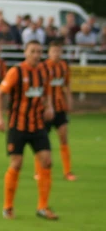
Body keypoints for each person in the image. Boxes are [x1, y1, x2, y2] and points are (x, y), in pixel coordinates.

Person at [0, 40, 58, 220]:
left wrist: (50, 106)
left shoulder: (44, 72)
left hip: (37, 126)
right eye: (33, 51)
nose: (36, 55)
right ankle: (8, 207)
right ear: (25, 52)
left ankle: (43, 207)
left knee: (47, 161)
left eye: (39, 51)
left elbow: (46, 93)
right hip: (17, 126)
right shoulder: (16, 72)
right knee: (16, 164)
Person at [43, 42, 76, 181]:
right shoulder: (43, 67)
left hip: (60, 108)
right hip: (45, 109)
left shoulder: (64, 66)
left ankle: (67, 171)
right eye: (54, 51)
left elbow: (66, 85)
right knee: (43, 142)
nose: (56, 54)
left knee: (63, 137)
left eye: (58, 51)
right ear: (49, 53)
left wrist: (70, 100)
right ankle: (40, 171)